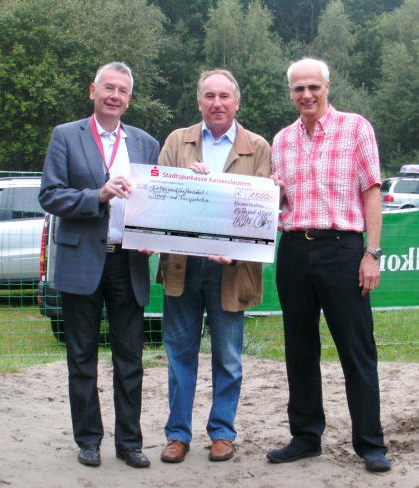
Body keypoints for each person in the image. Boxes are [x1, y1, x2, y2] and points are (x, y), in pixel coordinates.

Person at [268, 58, 390, 473]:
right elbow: (275, 203)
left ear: (327, 87)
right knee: (299, 349)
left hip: (343, 248)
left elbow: (371, 192)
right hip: (294, 251)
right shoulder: (281, 140)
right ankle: (305, 437)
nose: (307, 95)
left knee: (356, 350)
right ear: (290, 93)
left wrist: (370, 253)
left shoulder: (356, 128)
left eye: (313, 87)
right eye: (299, 89)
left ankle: (371, 443)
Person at [39, 61, 160, 468]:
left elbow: (155, 203)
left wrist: (154, 238)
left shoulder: (145, 143)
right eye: (108, 88)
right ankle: (89, 440)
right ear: (93, 90)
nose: (115, 96)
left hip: (128, 264)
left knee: (130, 358)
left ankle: (130, 443)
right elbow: (51, 196)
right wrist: (98, 195)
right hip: (81, 260)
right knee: (82, 357)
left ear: (129, 97)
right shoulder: (66, 136)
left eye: (123, 90)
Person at [156, 69, 270, 463]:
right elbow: (159, 202)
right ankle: (177, 434)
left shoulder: (257, 146)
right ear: (199, 101)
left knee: (228, 357)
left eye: (224, 96)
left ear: (236, 102)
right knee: (179, 355)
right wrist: (184, 183)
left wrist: (235, 251)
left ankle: (222, 432)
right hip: (182, 268)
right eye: (209, 96)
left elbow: (261, 215)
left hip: (231, 271)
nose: (216, 103)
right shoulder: (177, 142)